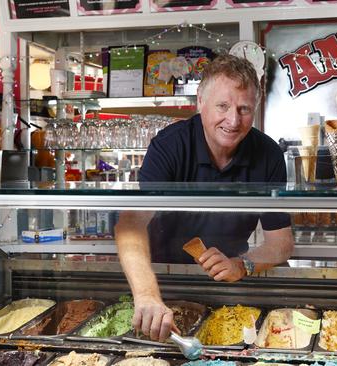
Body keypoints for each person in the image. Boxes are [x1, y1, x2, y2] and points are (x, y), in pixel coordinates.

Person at [115, 54, 294, 342]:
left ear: (255, 108)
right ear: (200, 101)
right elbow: (130, 223)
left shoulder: (268, 154)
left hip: (230, 282)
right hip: (162, 279)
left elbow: (281, 243)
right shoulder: (169, 146)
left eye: (244, 109)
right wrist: (147, 294)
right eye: (222, 106)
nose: (233, 120)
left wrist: (243, 264)